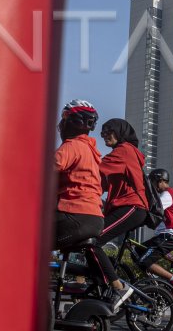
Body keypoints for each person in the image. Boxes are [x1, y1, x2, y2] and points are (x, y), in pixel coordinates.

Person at [51, 100, 132, 311]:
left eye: (63, 120)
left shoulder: (71, 147)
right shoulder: (91, 151)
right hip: (92, 217)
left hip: (75, 216)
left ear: (71, 122)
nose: (60, 125)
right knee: (78, 252)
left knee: (27, 246)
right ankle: (99, 281)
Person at [98, 118, 151, 258]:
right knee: (88, 239)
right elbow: (99, 183)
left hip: (131, 206)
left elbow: (94, 168)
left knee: (92, 240)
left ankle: (111, 280)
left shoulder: (124, 150)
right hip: (125, 207)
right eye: (102, 133)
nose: (105, 136)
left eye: (109, 132)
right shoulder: (122, 152)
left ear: (120, 132)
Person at [136, 168, 173, 294]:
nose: (151, 186)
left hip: (171, 234)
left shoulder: (167, 193)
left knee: (144, 261)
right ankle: (156, 284)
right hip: (166, 234)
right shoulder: (168, 194)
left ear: (160, 181)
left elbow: (153, 210)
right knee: (137, 251)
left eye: (152, 183)